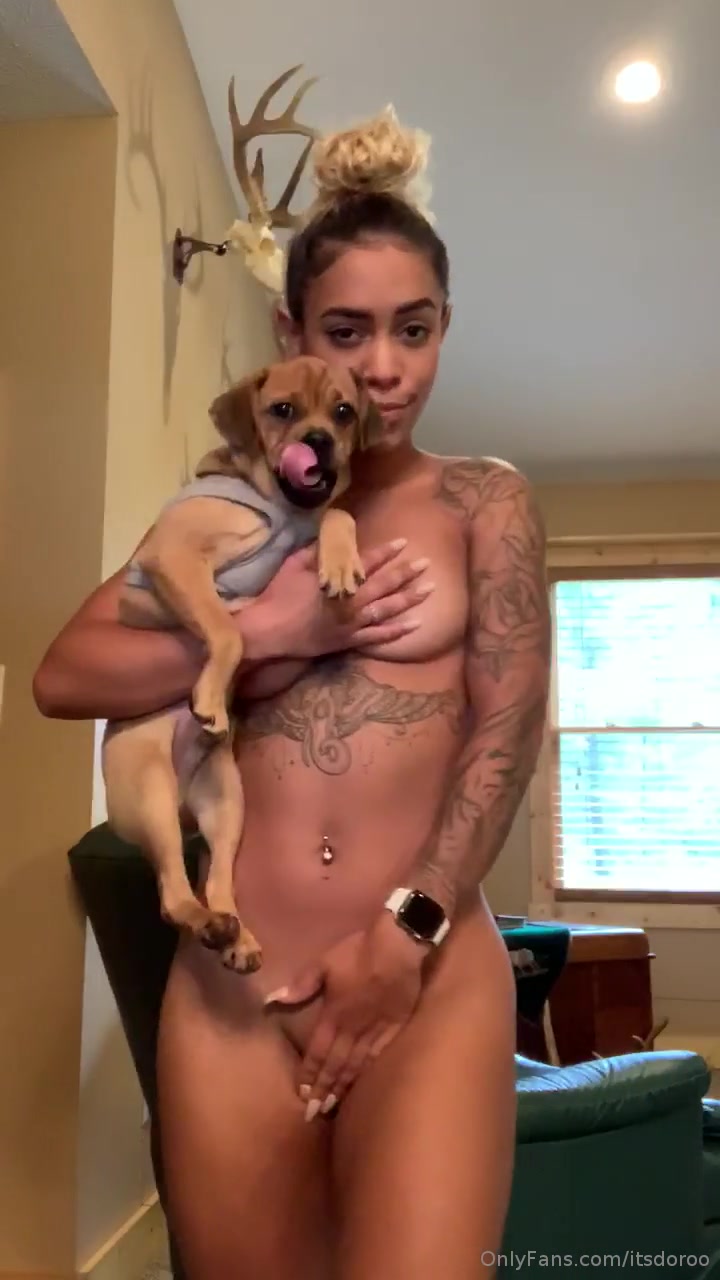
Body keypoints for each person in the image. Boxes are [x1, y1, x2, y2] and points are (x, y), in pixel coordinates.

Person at [34, 108, 550, 1280]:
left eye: (414, 329)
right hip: (236, 998)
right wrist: (272, 626)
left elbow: (510, 724)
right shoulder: (233, 507)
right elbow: (66, 675)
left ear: (445, 327)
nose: (383, 370)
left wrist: (410, 929)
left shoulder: (483, 500)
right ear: (290, 335)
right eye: (347, 331)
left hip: (420, 983)